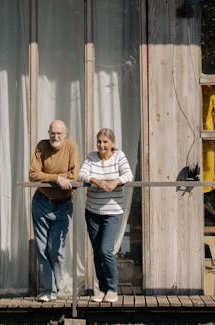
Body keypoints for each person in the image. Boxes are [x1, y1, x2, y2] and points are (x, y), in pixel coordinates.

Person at [79, 128, 133, 304]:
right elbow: (82, 174)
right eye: (99, 141)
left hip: (113, 212)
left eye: (105, 142)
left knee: (105, 250)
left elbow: (128, 175)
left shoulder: (119, 156)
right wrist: (97, 181)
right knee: (96, 252)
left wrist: (114, 182)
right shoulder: (91, 157)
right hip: (92, 211)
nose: (101, 145)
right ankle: (102, 289)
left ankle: (112, 289)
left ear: (112, 143)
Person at [28, 119, 79, 302]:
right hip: (41, 202)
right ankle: (48, 289)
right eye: (52, 133)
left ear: (65, 135)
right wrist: (57, 178)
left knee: (56, 248)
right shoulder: (42, 146)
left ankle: (55, 288)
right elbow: (33, 174)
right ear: (48, 132)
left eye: (59, 134)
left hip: (63, 204)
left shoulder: (71, 147)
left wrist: (53, 178)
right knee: (42, 248)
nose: (55, 137)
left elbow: (73, 176)